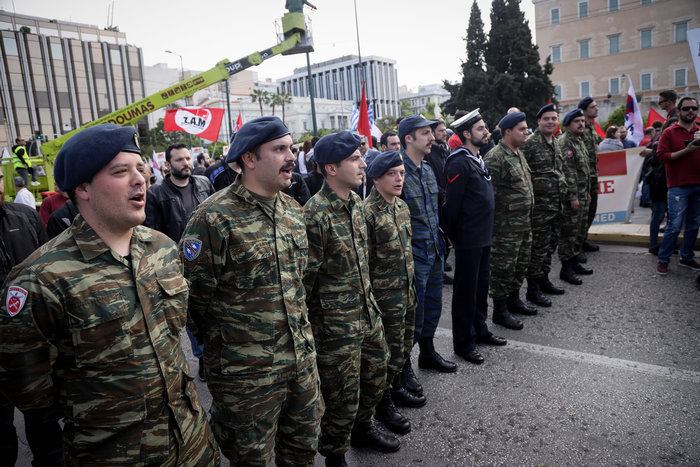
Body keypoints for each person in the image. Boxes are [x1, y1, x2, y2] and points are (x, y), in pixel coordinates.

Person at [0, 123, 218, 465]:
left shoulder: (161, 248)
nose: (140, 180)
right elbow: (31, 392)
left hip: (193, 445)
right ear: (83, 187)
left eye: (141, 170)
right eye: (121, 172)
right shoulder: (40, 279)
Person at [181, 116, 323, 465]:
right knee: (250, 458)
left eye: (291, 148)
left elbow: (299, 282)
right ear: (249, 159)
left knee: (302, 452)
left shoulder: (292, 211)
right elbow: (193, 301)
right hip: (245, 378)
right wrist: (230, 350)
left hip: (300, 365)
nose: (292, 157)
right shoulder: (213, 218)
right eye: (279, 149)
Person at [303, 131, 395, 465]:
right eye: (354, 159)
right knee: (341, 394)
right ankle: (335, 453)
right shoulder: (314, 216)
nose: (363, 164)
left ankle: (363, 428)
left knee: (376, 374)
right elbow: (304, 282)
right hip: (335, 326)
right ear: (330, 168)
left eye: (361, 156)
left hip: (366, 314)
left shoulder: (356, 204)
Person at [0, 172, 63, 467]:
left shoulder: (24, 216)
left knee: (43, 419)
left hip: (36, 342)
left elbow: (50, 266)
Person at [364, 151, 424, 437]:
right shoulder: (367, 213)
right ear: (376, 178)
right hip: (384, 299)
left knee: (401, 348)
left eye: (401, 173)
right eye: (392, 174)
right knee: (384, 355)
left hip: (405, 293)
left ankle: (396, 388)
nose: (399, 178)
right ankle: (383, 403)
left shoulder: (401, 206)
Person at [144, 142, 214, 381]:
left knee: (212, 309)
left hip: (209, 260)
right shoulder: (155, 193)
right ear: (168, 164)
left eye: (187, 158)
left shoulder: (203, 184)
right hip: (178, 265)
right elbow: (152, 233)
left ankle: (214, 353)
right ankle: (202, 356)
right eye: (179, 160)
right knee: (189, 313)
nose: (186, 163)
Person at [444, 109, 508, 363]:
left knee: (481, 288)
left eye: (485, 127)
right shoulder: (458, 161)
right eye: (481, 129)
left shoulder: (475, 159)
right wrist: (452, 235)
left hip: (483, 235)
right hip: (469, 237)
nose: (487, 131)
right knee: (466, 292)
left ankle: (479, 329)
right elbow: (453, 204)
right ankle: (463, 343)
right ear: (467, 134)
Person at [398, 115, 456, 379]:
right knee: (412, 314)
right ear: (408, 138)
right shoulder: (396, 171)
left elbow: (434, 210)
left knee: (432, 306)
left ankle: (428, 352)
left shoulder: (428, 167)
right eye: (425, 133)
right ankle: (403, 367)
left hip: (433, 251)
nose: (432, 137)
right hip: (412, 256)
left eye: (431, 132)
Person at [483, 112, 535, 330]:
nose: (526, 133)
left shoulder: (518, 153)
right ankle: (500, 311)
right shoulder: (495, 158)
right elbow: (488, 197)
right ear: (507, 132)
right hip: (505, 228)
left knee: (520, 265)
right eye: (521, 129)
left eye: (526, 129)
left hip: (523, 224)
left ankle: (514, 301)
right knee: (503, 269)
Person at [521, 104, 568, 307]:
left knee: (550, 246)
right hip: (539, 208)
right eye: (546, 119)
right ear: (538, 121)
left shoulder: (556, 142)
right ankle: (533, 290)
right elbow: (523, 174)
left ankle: (544, 280)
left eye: (554, 118)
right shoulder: (529, 143)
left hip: (556, 205)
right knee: (538, 249)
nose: (550, 122)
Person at [655, 97, 700, 275]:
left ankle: (686, 257)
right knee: (674, 225)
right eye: (687, 108)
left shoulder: (699, 130)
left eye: (694, 108)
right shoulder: (669, 132)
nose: (690, 111)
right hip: (678, 186)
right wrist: (687, 151)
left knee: (694, 225)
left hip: (698, 185)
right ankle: (663, 259)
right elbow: (661, 157)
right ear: (679, 110)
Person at [558, 109, 594, 284]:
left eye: (582, 121)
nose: (581, 124)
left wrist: (586, 193)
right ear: (568, 124)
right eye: (577, 121)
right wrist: (573, 197)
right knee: (569, 234)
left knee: (579, 231)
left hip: (581, 194)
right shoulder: (566, 143)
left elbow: (584, 171)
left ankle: (574, 263)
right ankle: (566, 269)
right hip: (572, 197)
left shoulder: (579, 141)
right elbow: (568, 173)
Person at [642, 117, 677, 255]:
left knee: (673, 218)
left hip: (673, 185)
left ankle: (669, 246)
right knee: (658, 216)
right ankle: (654, 245)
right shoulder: (658, 144)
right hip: (660, 186)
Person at [578, 97, 602, 253]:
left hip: (593, 175)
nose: (597, 109)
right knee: (582, 212)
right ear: (585, 109)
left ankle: (583, 239)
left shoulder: (592, 128)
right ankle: (576, 245)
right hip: (583, 177)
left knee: (591, 210)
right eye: (593, 107)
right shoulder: (579, 128)